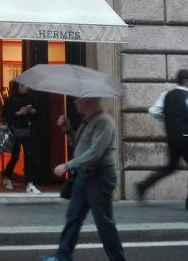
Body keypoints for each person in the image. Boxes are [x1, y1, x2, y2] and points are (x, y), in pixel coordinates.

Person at [44, 97, 126, 261]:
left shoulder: (104, 122)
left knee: (104, 223)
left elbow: (95, 153)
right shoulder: (88, 121)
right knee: (73, 217)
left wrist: (68, 165)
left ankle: (118, 259)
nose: (74, 103)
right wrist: (67, 129)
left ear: (88, 101)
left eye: (78, 100)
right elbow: (79, 145)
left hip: (99, 177)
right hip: (85, 176)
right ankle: (63, 255)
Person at [136, 69, 188, 209]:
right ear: (186, 81)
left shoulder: (167, 95)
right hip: (186, 138)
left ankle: (143, 185)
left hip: (172, 138)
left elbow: (153, 111)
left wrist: (169, 118)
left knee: (170, 167)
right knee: (170, 167)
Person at [2, 81, 41, 194]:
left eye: (26, 85)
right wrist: (18, 113)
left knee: (30, 156)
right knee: (15, 155)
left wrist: (32, 111)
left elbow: (37, 113)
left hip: (28, 130)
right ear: (17, 87)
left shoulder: (31, 98)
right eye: (23, 85)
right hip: (15, 129)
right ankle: (7, 176)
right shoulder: (11, 99)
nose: (25, 87)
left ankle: (30, 183)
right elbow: (6, 116)